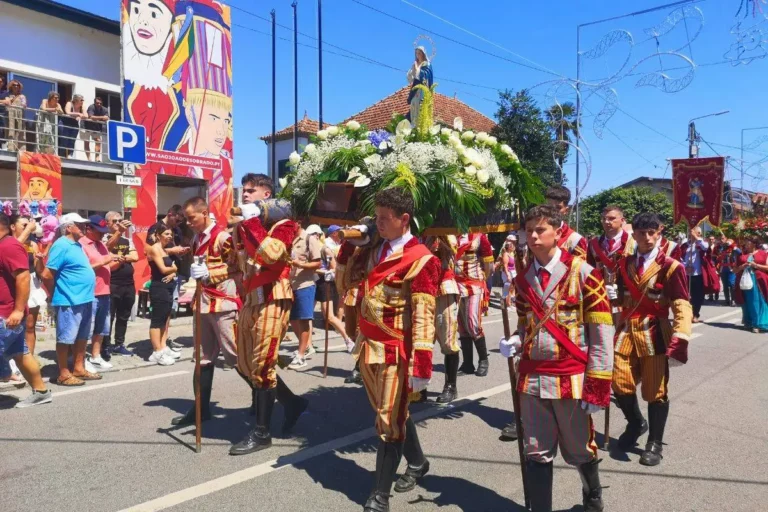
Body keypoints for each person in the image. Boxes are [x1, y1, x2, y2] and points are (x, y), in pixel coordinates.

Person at [499, 204, 613, 512]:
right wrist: (515, 341)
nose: (533, 237)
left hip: (572, 379)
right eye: (529, 231)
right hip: (532, 380)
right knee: (535, 451)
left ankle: (592, 494)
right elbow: (526, 325)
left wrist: (599, 386)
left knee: (579, 449)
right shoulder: (522, 280)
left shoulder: (585, 274)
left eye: (541, 230)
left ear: (557, 232)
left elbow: (601, 334)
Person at [336, 188, 440, 512]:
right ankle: (418, 462)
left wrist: (422, 366)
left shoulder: (422, 259)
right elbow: (345, 285)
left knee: (387, 421)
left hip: (396, 351)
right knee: (391, 412)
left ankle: (379, 497)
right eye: (376, 217)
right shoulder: (374, 248)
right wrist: (348, 246)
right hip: (367, 347)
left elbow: (424, 316)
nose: (377, 223)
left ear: (403, 219)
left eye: (384, 219)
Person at [230, 175, 308, 455]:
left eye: (252, 191)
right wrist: (207, 274)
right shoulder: (244, 226)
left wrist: (250, 222)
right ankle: (293, 403)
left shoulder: (284, 225)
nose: (245, 195)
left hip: (275, 297)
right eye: (244, 191)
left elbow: (271, 255)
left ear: (267, 194)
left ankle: (262, 433)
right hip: (250, 299)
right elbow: (234, 263)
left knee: (262, 365)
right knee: (245, 365)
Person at [613, 213, 692, 467]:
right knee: (617, 380)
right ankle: (636, 423)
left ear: (659, 232)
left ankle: (655, 442)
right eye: (640, 232)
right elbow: (619, 297)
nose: (646, 238)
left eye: (651, 232)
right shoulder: (624, 264)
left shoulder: (671, 266)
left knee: (654, 391)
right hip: (626, 330)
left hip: (655, 331)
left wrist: (681, 336)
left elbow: (681, 304)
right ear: (632, 233)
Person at [171, 197, 241, 426]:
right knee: (201, 357)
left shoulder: (224, 237)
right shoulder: (195, 239)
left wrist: (210, 272)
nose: (189, 223)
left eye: (192, 218)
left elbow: (236, 266)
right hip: (202, 303)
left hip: (223, 303)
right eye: (186, 219)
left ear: (205, 213)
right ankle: (200, 409)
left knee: (236, 355)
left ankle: (266, 400)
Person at [37, 213, 102, 386]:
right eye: (79, 225)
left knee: (82, 337)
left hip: (85, 298)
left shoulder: (76, 244)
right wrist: (56, 294)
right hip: (69, 300)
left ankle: (78, 368)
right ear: (68, 228)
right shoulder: (61, 245)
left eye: (84, 225)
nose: (84, 228)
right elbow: (47, 274)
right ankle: (63, 373)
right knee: (65, 338)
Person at [0, 212, 51, 407]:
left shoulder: (9, 246)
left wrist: (18, 310)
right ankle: (41, 392)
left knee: (18, 354)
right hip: (7, 314)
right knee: (20, 354)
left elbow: (23, 278)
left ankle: (6, 374)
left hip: (7, 314)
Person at [425, 235, 461, 405]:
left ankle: (450, 386)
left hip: (443, 289)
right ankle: (419, 386)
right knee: (420, 340)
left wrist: (439, 232)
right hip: (419, 290)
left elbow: (452, 249)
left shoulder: (446, 234)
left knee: (447, 341)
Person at [587, 205, 636, 323]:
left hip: (626, 297)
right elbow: (589, 268)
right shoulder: (593, 243)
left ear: (622, 221)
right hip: (600, 295)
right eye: (603, 219)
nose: (606, 222)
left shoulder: (633, 241)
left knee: (622, 335)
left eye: (611, 218)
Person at [455, 231, 494, 377]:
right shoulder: (449, 236)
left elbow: (488, 263)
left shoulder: (479, 237)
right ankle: (467, 364)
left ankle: (483, 360)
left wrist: (484, 277)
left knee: (473, 323)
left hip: (474, 285)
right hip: (456, 286)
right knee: (462, 326)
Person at [81, 215, 116, 370]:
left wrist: (116, 261)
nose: (102, 234)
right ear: (89, 229)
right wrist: (105, 261)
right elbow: (83, 268)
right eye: (99, 231)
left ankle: (96, 356)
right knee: (87, 328)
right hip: (90, 292)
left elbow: (106, 264)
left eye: (104, 231)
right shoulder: (81, 244)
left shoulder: (101, 244)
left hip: (105, 290)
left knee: (102, 327)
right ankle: (81, 359)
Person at [287, 224, 323, 370]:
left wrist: (300, 264)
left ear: (298, 224)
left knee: (303, 319)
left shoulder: (309, 239)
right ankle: (306, 347)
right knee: (292, 319)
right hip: (290, 285)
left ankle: (301, 356)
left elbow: (318, 263)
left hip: (305, 285)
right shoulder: (288, 238)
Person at [9, 215, 46, 355]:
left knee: (30, 326)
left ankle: (29, 357)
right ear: (13, 227)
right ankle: (10, 360)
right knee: (12, 325)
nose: (28, 228)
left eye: (28, 225)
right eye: (23, 226)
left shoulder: (33, 244)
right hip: (14, 284)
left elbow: (40, 271)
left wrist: (40, 260)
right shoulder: (8, 242)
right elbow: (12, 249)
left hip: (31, 284)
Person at [316, 226, 355, 353]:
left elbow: (333, 268)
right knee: (303, 319)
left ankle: (348, 340)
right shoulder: (320, 246)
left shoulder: (325, 248)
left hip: (324, 283)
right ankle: (307, 347)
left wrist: (309, 269)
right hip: (312, 283)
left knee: (329, 316)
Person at [103, 212, 138, 356]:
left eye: (120, 220)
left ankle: (119, 344)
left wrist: (120, 258)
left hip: (128, 284)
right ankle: (105, 345)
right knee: (108, 317)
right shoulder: (104, 238)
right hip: (111, 283)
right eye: (114, 221)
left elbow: (135, 256)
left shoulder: (126, 240)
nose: (118, 223)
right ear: (107, 224)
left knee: (124, 316)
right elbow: (106, 250)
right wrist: (119, 233)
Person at [145, 222, 179, 366]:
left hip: (168, 287)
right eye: (166, 234)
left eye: (170, 234)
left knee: (166, 318)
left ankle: (163, 346)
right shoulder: (155, 249)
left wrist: (172, 272)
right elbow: (164, 269)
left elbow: (172, 269)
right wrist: (173, 269)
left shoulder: (165, 250)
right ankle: (157, 351)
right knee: (157, 320)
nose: (169, 237)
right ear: (158, 235)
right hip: (159, 288)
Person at [734, 237, 768, 333]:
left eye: (748, 243)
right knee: (746, 302)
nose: (746, 245)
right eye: (745, 243)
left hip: (759, 281)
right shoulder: (741, 255)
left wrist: (755, 265)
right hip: (745, 281)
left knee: (758, 302)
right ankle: (748, 321)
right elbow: (734, 270)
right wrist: (742, 267)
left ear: (754, 243)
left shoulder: (763, 254)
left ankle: (758, 324)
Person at [544, 185, 588, 258]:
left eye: (558, 208)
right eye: (549, 207)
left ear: (566, 210)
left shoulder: (576, 240)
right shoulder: (535, 233)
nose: (552, 211)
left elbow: (580, 267)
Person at [681, 227, 710, 323]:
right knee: (686, 295)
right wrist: (685, 266)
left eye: (696, 233)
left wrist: (697, 239)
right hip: (687, 273)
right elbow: (680, 258)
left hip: (698, 273)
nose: (692, 234)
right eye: (691, 233)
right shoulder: (685, 245)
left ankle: (695, 314)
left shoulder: (701, 243)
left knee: (698, 296)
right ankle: (687, 313)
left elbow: (706, 247)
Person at [406, 45, 433, 127]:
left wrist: (418, 69)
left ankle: (418, 125)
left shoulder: (426, 64)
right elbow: (410, 77)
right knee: (414, 106)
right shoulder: (415, 64)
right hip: (415, 89)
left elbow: (426, 75)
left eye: (419, 53)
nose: (418, 55)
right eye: (416, 53)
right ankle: (413, 124)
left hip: (423, 90)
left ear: (423, 54)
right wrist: (413, 70)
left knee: (421, 107)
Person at [715, 234, 739, 307]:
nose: (722, 240)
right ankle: (727, 300)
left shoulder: (731, 247)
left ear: (726, 239)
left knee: (732, 284)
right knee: (725, 285)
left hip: (731, 269)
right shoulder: (718, 248)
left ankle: (733, 300)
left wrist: (732, 244)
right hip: (722, 269)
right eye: (720, 239)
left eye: (723, 238)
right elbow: (713, 257)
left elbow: (739, 252)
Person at [84, 97, 109, 162]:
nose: (99, 104)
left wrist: (100, 118)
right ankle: (89, 159)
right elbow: (91, 117)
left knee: (98, 141)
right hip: (86, 126)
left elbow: (107, 118)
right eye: (97, 103)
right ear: (94, 103)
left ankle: (97, 158)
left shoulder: (105, 109)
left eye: (100, 103)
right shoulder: (91, 107)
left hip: (96, 127)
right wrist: (102, 117)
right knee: (87, 142)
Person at [6, 80, 27, 152]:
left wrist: (23, 105)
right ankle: (11, 147)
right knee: (11, 131)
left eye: (17, 85)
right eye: (14, 85)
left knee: (20, 132)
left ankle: (20, 149)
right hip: (10, 116)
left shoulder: (22, 96)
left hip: (19, 116)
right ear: (11, 86)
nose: (16, 86)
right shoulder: (8, 95)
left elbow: (24, 104)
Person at [500, 237, 517, 308]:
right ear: (509, 247)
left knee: (511, 288)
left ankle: (509, 303)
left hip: (513, 272)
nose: (513, 247)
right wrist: (508, 275)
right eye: (512, 246)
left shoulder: (512, 254)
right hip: (508, 272)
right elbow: (505, 265)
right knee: (507, 288)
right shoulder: (505, 254)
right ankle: (505, 304)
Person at [0, 76, 9, 146]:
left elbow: (8, 102)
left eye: (0, 81)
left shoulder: (5, 93)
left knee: (1, 130)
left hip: (1, 114)